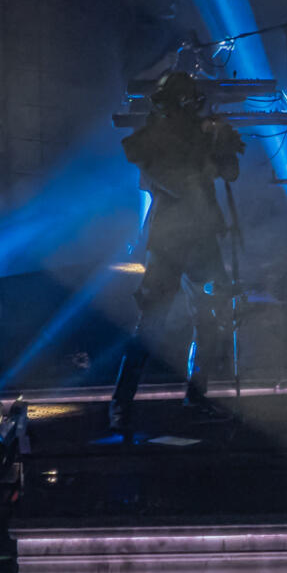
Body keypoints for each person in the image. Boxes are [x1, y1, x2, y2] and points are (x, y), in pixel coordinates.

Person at [108, 70, 244, 435]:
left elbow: (230, 171)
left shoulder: (199, 133)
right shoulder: (155, 139)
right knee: (150, 325)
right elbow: (169, 182)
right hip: (169, 242)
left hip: (200, 240)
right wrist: (205, 159)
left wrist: (219, 144)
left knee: (210, 318)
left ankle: (196, 397)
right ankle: (120, 404)